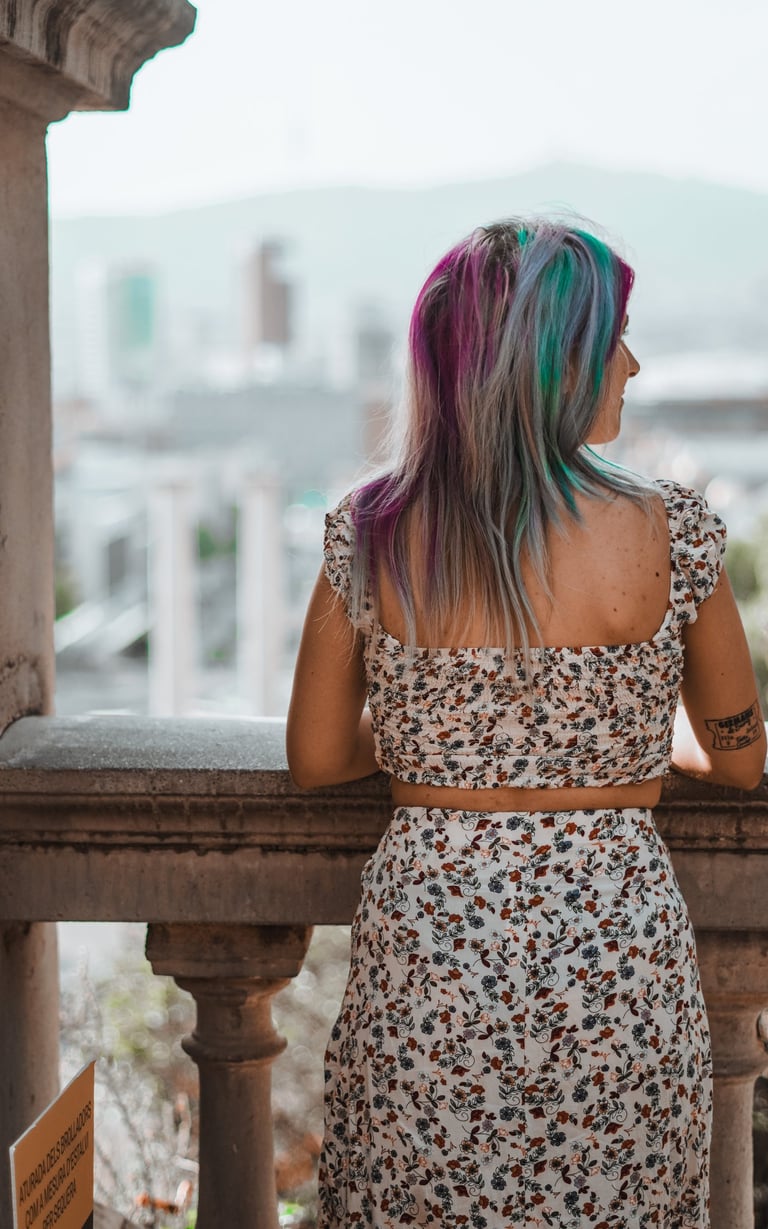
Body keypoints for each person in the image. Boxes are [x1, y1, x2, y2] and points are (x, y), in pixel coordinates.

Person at [286, 219, 766, 1228]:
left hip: (432, 948)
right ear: (552, 365)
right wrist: (629, 747)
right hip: (614, 950)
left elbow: (319, 756)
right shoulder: (677, 532)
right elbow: (738, 756)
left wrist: (441, 737)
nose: (632, 364)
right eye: (612, 340)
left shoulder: (371, 531)